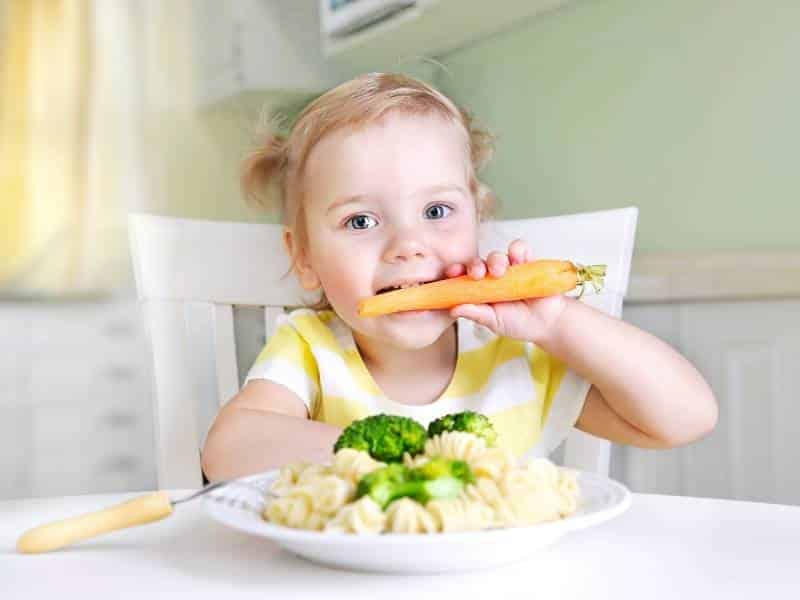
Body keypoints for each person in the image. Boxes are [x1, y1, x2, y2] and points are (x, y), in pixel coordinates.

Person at [201, 73, 717, 481]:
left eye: (437, 211)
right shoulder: (311, 349)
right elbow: (227, 449)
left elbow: (686, 418)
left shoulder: (514, 356)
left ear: (477, 221)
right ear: (306, 257)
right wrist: (405, 455)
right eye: (360, 221)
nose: (408, 245)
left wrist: (559, 322)